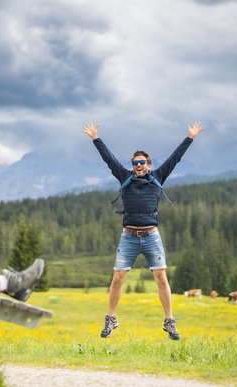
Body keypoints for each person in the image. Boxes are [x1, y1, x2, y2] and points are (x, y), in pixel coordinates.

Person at [82, 121, 203, 340]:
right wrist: (95, 138)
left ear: (148, 164)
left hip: (151, 236)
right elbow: (108, 159)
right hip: (128, 236)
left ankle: (169, 321)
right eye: (135, 162)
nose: (139, 165)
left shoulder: (157, 176)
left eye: (142, 162)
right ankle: (111, 318)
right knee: (117, 278)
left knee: (161, 278)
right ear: (132, 165)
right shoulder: (124, 177)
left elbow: (175, 158)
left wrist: (190, 138)